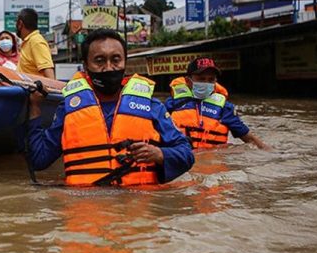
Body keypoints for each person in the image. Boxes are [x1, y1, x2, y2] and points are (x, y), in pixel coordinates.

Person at [27, 29, 194, 187]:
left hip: (139, 210)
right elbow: (39, 160)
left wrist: (160, 154)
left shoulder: (152, 106)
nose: (108, 68)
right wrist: (35, 107)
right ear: (86, 65)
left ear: (125, 63)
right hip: (84, 210)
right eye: (99, 61)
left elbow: (187, 154)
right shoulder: (68, 108)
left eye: (116, 60)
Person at [165, 57, 270, 150]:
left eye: (211, 80)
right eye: (201, 79)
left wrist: (271, 152)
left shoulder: (225, 108)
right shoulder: (173, 103)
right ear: (188, 81)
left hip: (213, 164)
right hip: (182, 160)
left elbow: (249, 138)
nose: (206, 83)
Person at [15, 8, 54, 79]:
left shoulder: (36, 41)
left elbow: (49, 73)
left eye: (16, 23)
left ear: (20, 24)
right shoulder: (28, 42)